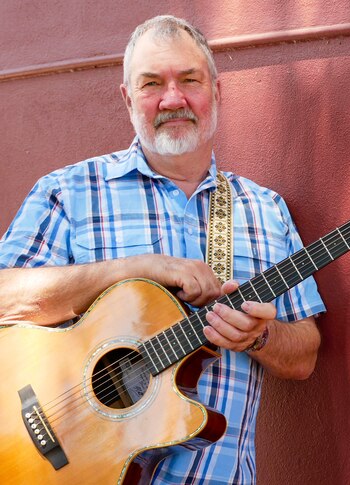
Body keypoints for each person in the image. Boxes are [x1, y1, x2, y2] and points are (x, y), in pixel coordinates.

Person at [0, 15, 325, 484]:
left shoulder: (263, 210)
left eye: (188, 80)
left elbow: (305, 356)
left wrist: (258, 337)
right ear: (128, 98)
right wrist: (136, 268)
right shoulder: (69, 192)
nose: (173, 99)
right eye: (152, 83)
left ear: (216, 90)